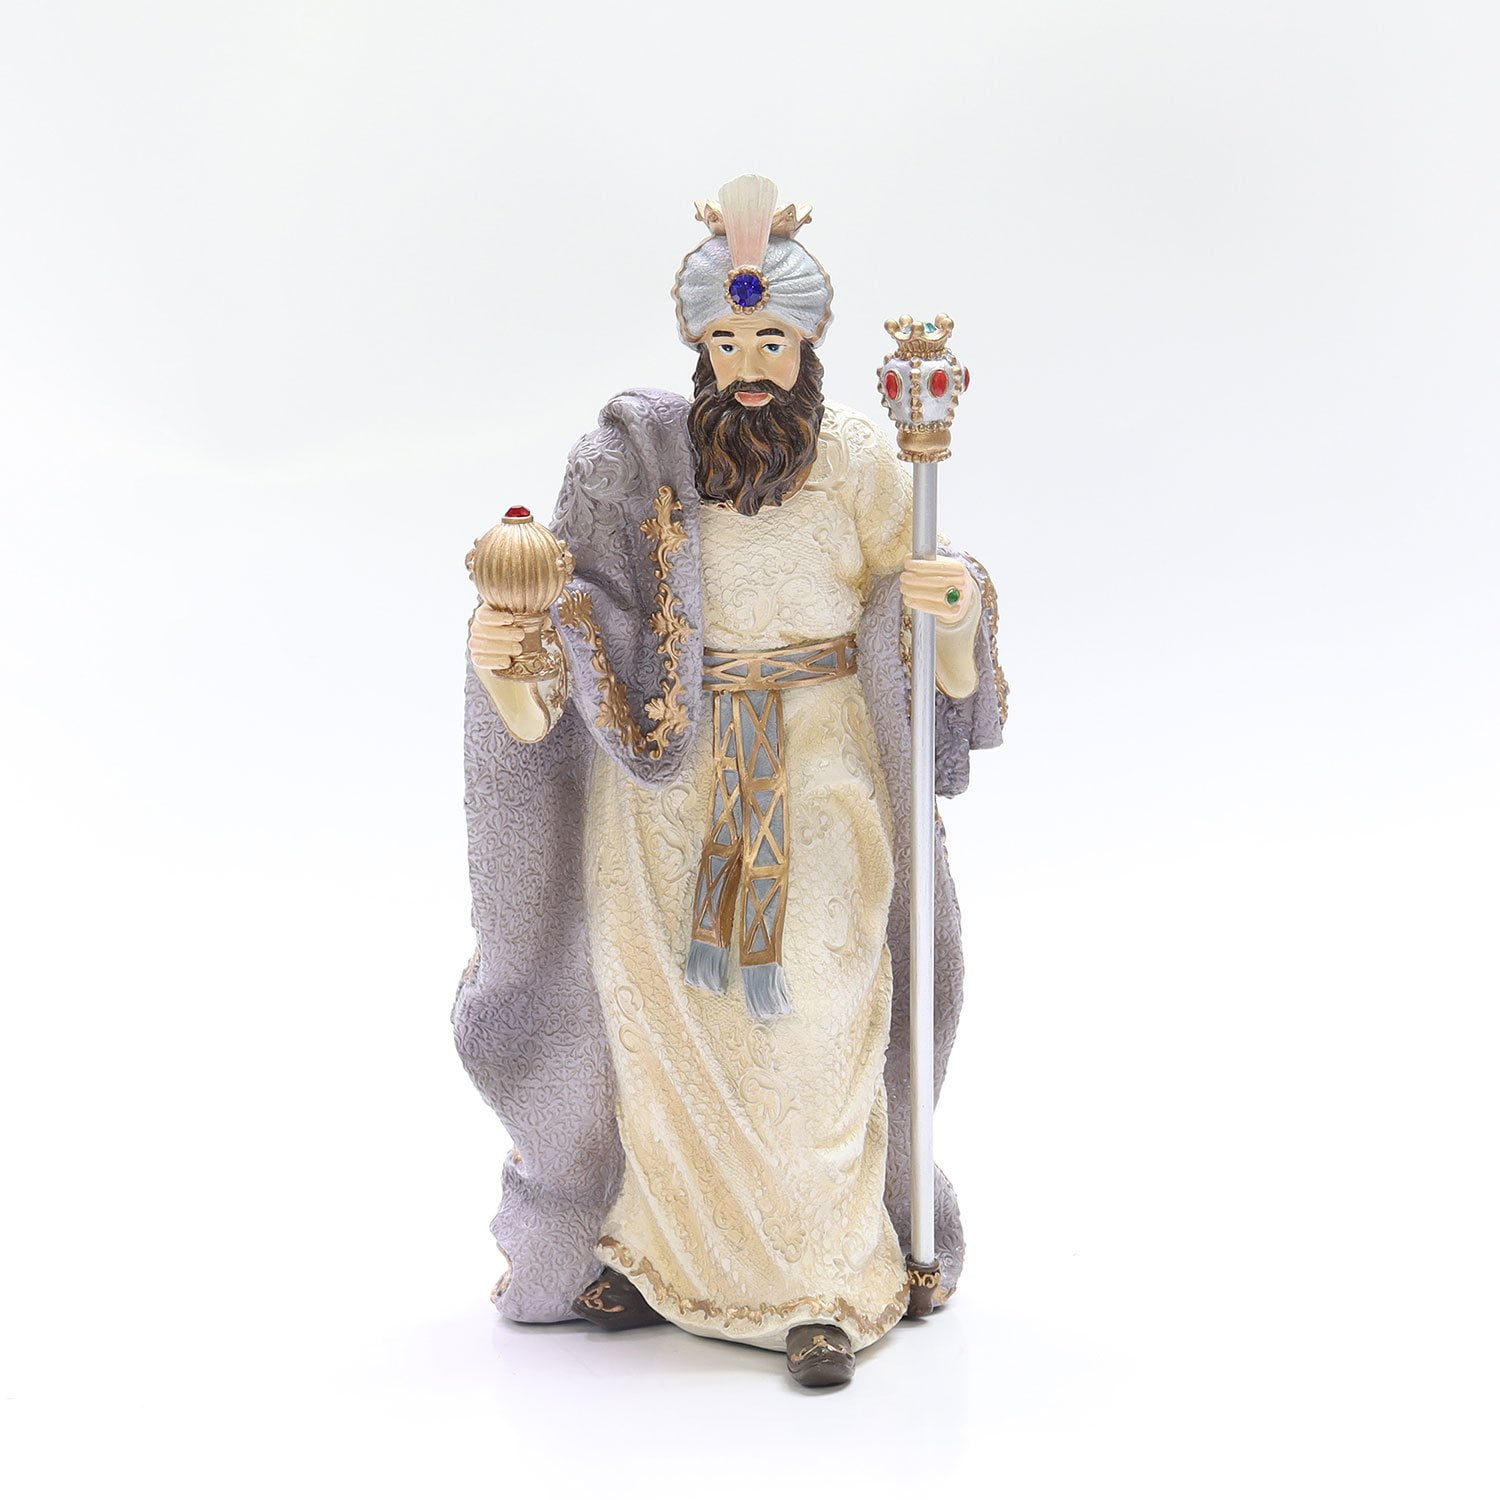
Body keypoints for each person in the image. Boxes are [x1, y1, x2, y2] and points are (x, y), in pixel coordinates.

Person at [454, 175, 1007, 1388]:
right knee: (667, 1032)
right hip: (667, 783)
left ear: (807, 344)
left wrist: (954, 610)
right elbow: (578, 637)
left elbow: (918, 613)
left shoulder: (859, 457)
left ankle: (826, 1282)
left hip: (819, 764)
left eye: (771, 344)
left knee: (814, 1012)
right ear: (698, 347)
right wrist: (514, 660)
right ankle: (657, 1258)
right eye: (726, 344)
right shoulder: (640, 466)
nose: (749, 369)